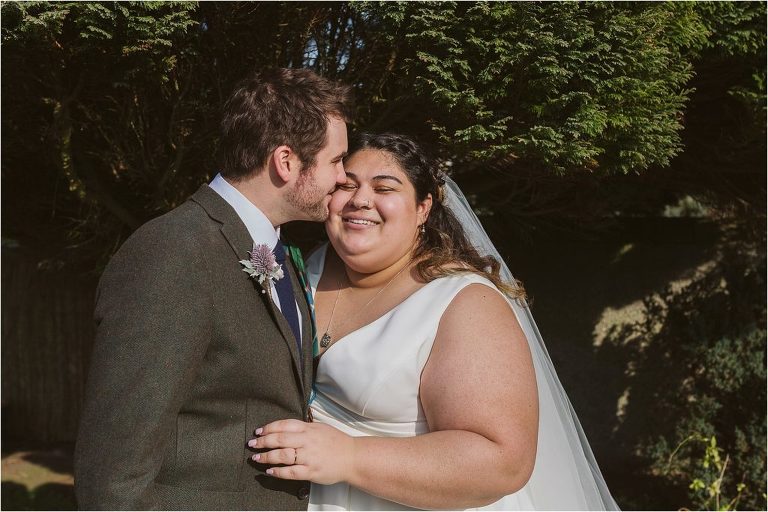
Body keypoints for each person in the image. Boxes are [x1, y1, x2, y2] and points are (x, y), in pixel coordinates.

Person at [246, 133, 620, 510]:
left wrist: (350, 457)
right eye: (347, 185)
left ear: (423, 208)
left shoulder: (465, 304)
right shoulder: (313, 265)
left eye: (384, 187)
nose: (360, 199)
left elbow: (502, 462)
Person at [74, 68, 352, 510]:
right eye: (336, 160)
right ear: (286, 161)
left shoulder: (284, 253)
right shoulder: (173, 250)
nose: (343, 178)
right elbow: (114, 466)